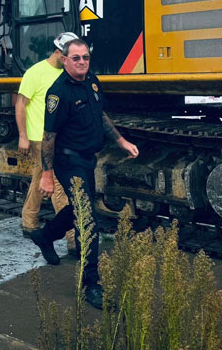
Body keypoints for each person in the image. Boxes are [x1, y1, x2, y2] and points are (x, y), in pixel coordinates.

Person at [29, 38, 139, 309]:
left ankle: (45, 236)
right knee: (87, 221)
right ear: (64, 60)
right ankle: (91, 283)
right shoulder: (58, 93)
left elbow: (100, 115)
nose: (81, 62)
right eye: (75, 58)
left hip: (87, 159)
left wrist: (121, 141)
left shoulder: (91, 80)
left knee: (82, 208)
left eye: (85, 57)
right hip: (68, 162)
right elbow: (48, 137)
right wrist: (46, 174)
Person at [16, 32, 79, 254]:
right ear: (57, 52)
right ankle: (73, 239)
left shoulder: (66, 74)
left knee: (38, 178)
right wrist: (23, 136)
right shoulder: (36, 73)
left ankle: (28, 222)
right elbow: (21, 104)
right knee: (58, 186)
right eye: (68, 56)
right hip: (39, 139)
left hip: (58, 138)